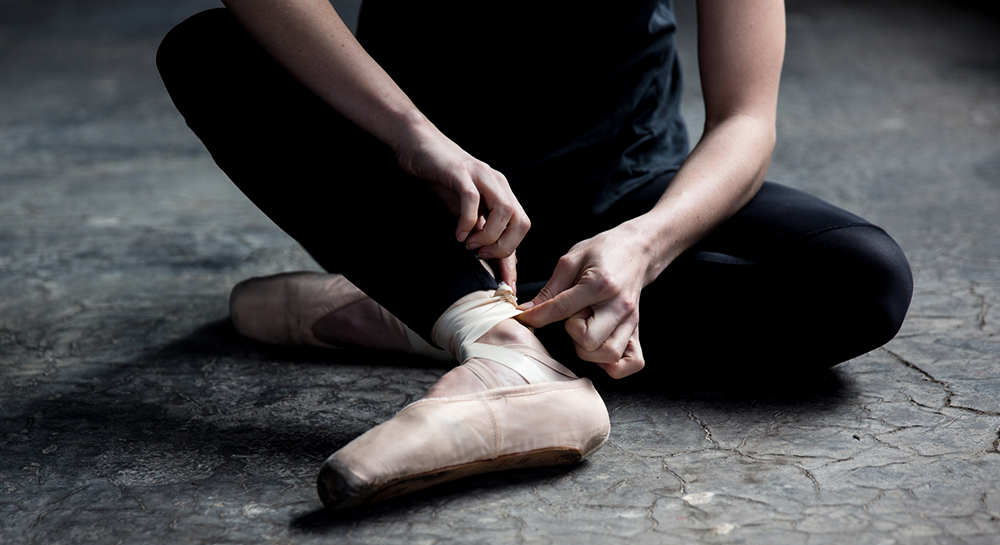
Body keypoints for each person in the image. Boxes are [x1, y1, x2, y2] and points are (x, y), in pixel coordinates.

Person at [156, 0, 913, 509]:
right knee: (206, 47)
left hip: (627, 187)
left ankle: (444, 313)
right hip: (433, 195)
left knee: (860, 277)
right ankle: (480, 322)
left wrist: (644, 246)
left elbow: (747, 118)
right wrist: (411, 134)